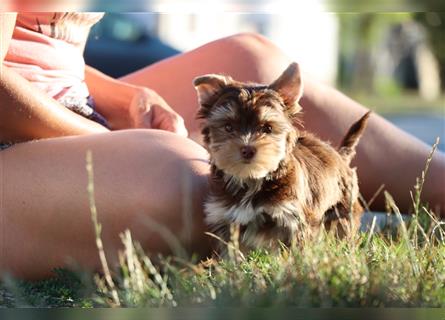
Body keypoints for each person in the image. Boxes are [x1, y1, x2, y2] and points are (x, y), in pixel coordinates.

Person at [1, 13, 444, 279]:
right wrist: (104, 140)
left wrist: (127, 98)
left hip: (65, 100)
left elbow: (41, 50)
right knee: (199, 191)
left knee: (257, 65)